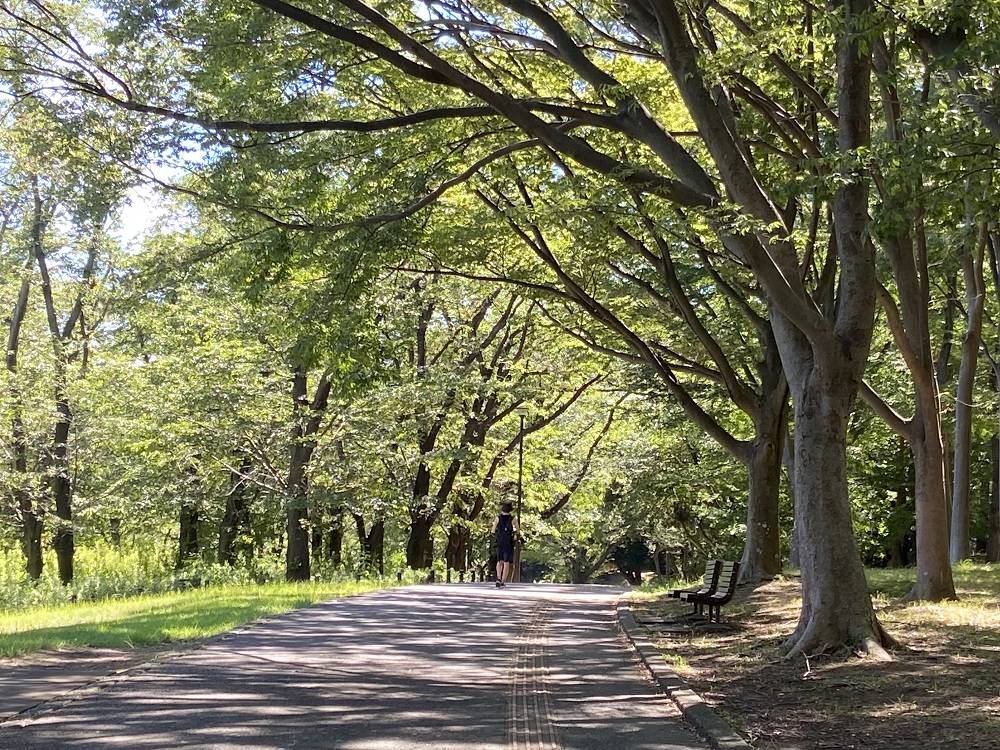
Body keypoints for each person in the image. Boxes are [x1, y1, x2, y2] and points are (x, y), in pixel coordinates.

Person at [493, 501, 518, 587]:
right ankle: (503, 581)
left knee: (499, 561)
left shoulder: (497, 518)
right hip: (508, 542)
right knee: (506, 562)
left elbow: (492, 530)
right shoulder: (513, 519)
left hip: (500, 542)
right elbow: (518, 531)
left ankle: (498, 578)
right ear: (510, 509)